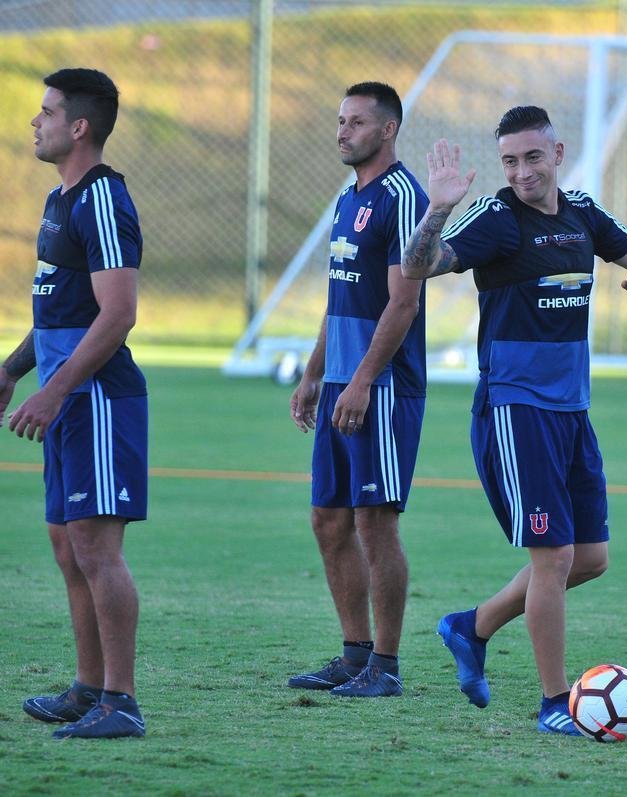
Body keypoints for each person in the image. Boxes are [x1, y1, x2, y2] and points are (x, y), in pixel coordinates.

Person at [401, 106, 627, 735]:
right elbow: (418, 266)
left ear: (558, 151)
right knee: (552, 559)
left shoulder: (583, 213)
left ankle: (471, 628)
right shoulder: (496, 219)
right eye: (509, 161)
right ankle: (556, 704)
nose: (521, 172)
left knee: (591, 558)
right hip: (516, 410)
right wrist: (438, 206)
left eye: (532, 157)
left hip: (572, 412)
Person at [0, 68, 147, 739]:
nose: (34, 122)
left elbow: (118, 313)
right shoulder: (59, 200)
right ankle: (88, 687)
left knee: (98, 550)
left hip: (99, 399)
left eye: (45, 112)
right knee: (69, 548)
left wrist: (56, 387)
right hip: (67, 395)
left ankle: (121, 701)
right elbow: (58, 311)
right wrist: (13, 371)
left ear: (79, 126)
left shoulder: (103, 199)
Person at [287, 82, 428, 698]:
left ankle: (387, 668)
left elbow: (404, 301)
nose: (342, 132)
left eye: (356, 123)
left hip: (383, 386)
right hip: (342, 380)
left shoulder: (403, 197)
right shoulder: (351, 196)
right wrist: (316, 372)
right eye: (340, 120)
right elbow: (339, 297)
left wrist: (364, 380)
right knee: (327, 519)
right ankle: (354, 654)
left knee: (375, 522)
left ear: (388, 129)